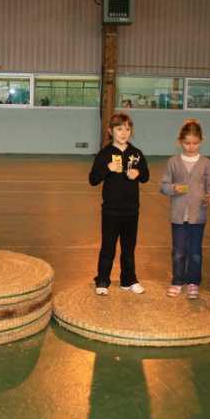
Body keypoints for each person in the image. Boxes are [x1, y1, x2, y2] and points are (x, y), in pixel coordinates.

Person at [89, 112, 149, 295]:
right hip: (111, 211)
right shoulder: (104, 154)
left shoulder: (136, 154)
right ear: (110, 131)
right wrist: (106, 169)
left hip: (131, 211)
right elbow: (93, 179)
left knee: (129, 249)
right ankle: (102, 280)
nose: (124, 133)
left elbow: (146, 176)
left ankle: (128, 280)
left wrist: (138, 173)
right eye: (119, 129)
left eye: (127, 129)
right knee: (108, 247)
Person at [160, 119, 210, 299]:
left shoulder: (206, 163)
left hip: (197, 216)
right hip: (178, 216)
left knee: (195, 252)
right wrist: (173, 188)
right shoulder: (173, 162)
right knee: (178, 251)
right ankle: (177, 281)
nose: (191, 147)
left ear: (201, 141)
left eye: (195, 143)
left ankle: (193, 282)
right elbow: (163, 186)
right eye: (187, 143)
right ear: (180, 142)